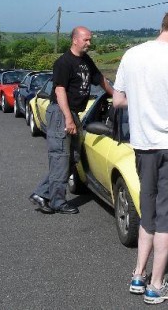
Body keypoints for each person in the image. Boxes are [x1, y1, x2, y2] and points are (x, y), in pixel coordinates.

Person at [112, 8, 168, 305]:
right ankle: (157, 285)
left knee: (148, 211)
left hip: (142, 146)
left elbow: (118, 99)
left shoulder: (131, 54)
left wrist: (143, 101)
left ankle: (138, 275)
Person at [29, 26, 113, 214]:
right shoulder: (64, 62)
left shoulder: (85, 61)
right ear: (75, 40)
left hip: (72, 113)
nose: (89, 43)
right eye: (86, 40)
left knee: (72, 158)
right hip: (61, 113)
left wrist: (116, 95)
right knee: (60, 157)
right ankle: (57, 202)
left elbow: (100, 79)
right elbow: (59, 91)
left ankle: (42, 193)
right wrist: (68, 119)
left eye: (90, 40)